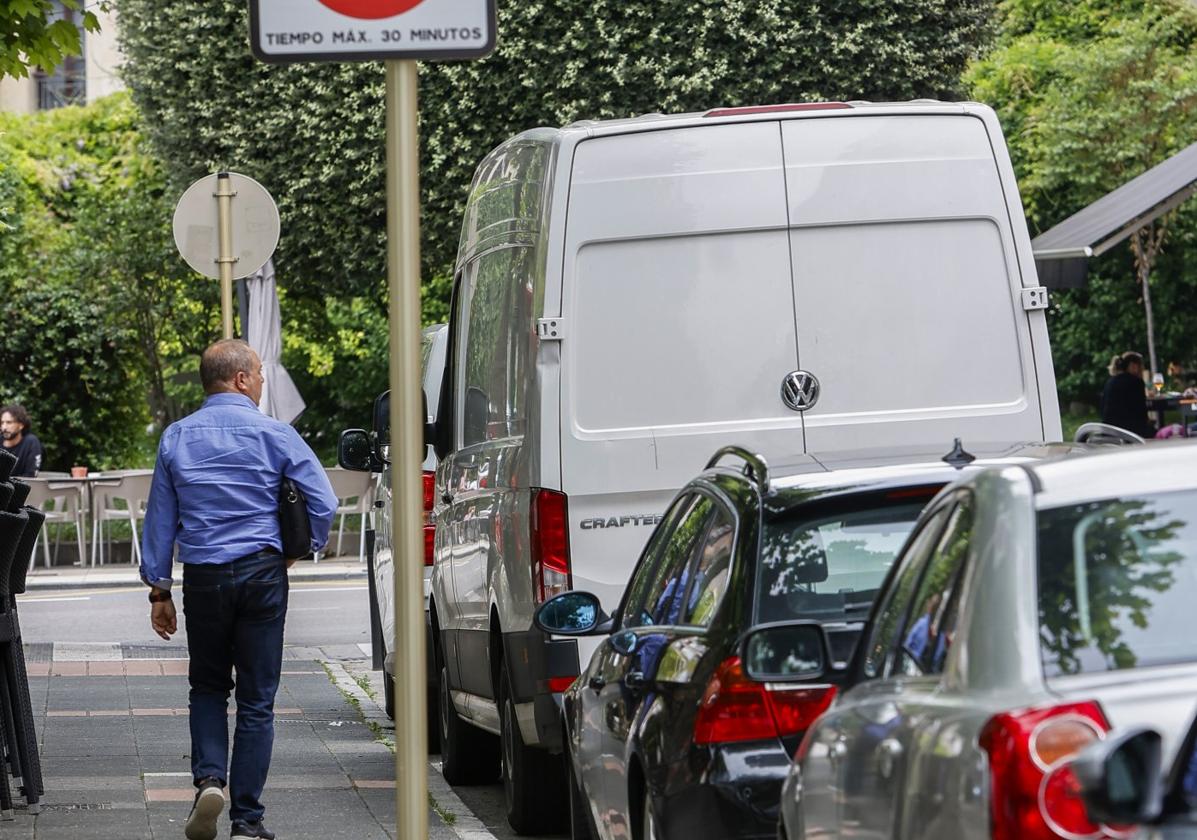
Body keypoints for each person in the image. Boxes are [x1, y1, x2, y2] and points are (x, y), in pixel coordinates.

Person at [140, 339, 337, 840]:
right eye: (260, 374)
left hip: (204, 576)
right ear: (242, 379)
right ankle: (247, 821)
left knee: (207, 685)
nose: (263, 382)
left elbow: (160, 522)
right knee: (256, 699)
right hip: (262, 574)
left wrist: (159, 591)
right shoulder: (277, 434)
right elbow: (324, 502)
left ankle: (209, 778)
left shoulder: (176, 438)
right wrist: (299, 548)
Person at [1100, 351, 1156, 439]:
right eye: (1141, 366)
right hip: (1129, 432)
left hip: (1108, 432)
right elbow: (1141, 413)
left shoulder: (1110, 382)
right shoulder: (1136, 382)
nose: (1142, 369)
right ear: (1133, 366)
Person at [0, 404, 44, 477]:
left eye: (9, 422)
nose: (4, 427)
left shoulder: (31, 442)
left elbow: (31, 476)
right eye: (2, 423)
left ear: (21, 425)